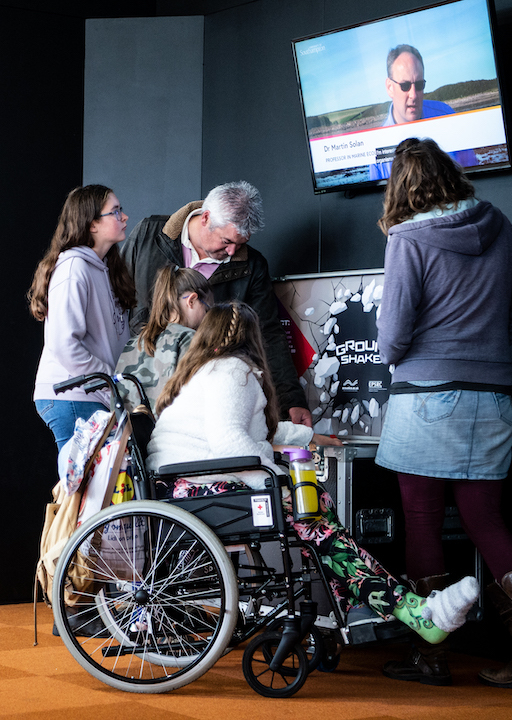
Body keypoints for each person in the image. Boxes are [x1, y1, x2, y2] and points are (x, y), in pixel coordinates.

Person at [146, 300, 479, 651]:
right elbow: (232, 444)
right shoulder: (232, 373)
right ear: (254, 338)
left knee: (314, 505)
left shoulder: (210, 371)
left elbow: (256, 434)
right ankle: (407, 610)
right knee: (310, 512)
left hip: (186, 484)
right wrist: (274, 477)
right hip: (198, 487)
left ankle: (363, 607)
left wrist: (309, 439)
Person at [375, 137, 512, 687]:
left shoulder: (408, 237)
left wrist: (396, 358)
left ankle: (429, 655)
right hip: (497, 395)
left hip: (427, 396)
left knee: (425, 521)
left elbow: (392, 335)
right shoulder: (501, 225)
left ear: (401, 187)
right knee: (487, 521)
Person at [120, 180, 312, 427]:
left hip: (206, 400)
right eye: (226, 241)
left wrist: (291, 398)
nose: (232, 252)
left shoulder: (252, 266)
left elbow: (268, 335)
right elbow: (114, 303)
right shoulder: (148, 235)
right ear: (205, 218)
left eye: (241, 244)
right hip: (142, 391)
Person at [29, 185, 135, 451]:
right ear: (92, 225)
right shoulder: (73, 267)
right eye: (115, 212)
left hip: (91, 395)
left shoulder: (104, 267)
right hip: (73, 395)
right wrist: (109, 379)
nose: (124, 217)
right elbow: (64, 345)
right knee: (86, 491)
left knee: (97, 490)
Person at [115, 266, 213, 414]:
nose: (207, 317)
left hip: (134, 435)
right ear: (192, 300)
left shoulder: (133, 343)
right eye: (207, 309)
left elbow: (117, 401)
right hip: (173, 433)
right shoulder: (190, 339)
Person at [370, 45, 477, 180]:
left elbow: (471, 174)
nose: (414, 95)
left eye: (419, 85)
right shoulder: (378, 146)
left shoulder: (446, 115)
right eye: (405, 86)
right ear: (390, 87)